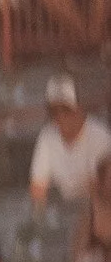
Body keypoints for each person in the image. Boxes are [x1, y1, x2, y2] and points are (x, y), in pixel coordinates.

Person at [29, 75, 111, 209]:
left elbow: (103, 193)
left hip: (97, 211)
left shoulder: (101, 137)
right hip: (64, 210)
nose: (60, 116)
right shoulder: (47, 136)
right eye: (54, 111)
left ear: (79, 108)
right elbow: (37, 188)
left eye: (66, 110)